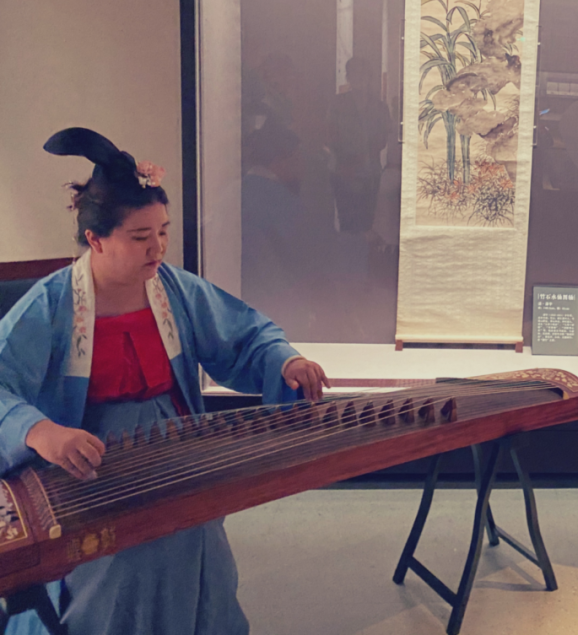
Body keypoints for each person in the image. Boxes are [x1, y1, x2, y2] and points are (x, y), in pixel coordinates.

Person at [0, 128, 330, 635]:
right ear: (96, 240)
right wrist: (41, 432)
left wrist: (284, 361)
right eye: (140, 237)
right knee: (123, 562)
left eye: (163, 232)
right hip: (89, 458)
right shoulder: (51, 304)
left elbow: (245, 336)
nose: (157, 248)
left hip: (174, 445)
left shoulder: (173, 289)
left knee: (200, 542)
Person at [326, 56, 391, 236]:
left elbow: (383, 138)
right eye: (354, 74)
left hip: (370, 173)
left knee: (368, 223)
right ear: (348, 77)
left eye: (363, 73)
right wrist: (346, 161)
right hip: (343, 171)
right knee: (347, 223)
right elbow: (330, 134)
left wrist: (365, 155)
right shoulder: (337, 103)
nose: (359, 78)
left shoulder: (380, 107)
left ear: (369, 76)